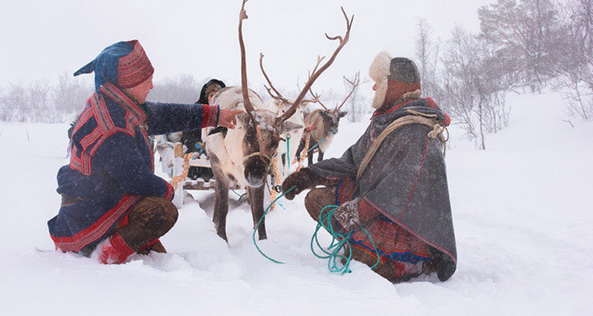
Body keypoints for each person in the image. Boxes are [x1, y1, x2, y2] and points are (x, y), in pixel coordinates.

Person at [47, 40, 241, 264]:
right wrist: (168, 190)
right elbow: (137, 181)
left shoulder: (120, 105)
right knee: (162, 212)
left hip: (104, 201)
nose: (151, 86)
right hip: (88, 217)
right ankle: (103, 256)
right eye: (147, 80)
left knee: (154, 251)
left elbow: (166, 115)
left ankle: (123, 244)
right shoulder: (112, 125)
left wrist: (215, 115)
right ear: (128, 83)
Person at [282, 52, 457, 282]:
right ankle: (366, 251)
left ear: (394, 86)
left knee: (367, 264)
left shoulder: (418, 131)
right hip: (377, 210)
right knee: (316, 199)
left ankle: (405, 264)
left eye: (379, 82)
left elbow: (401, 191)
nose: (374, 88)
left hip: (409, 227)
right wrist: (308, 176)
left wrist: (357, 211)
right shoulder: (386, 121)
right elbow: (352, 162)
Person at [181, 79, 226, 181]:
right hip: (198, 144)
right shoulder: (196, 110)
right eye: (211, 96)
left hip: (220, 147)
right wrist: (199, 145)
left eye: (217, 96)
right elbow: (188, 134)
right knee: (195, 158)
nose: (214, 99)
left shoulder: (227, 113)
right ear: (206, 97)